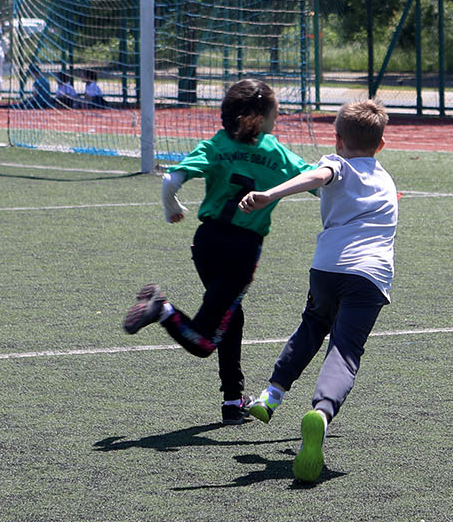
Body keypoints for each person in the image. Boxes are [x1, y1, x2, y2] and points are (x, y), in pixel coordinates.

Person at [121, 79, 315, 425]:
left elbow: (170, 181)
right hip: (241, 250)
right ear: (260, 118)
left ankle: (232, 400)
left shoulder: (217, 144)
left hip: (206, 243)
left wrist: (171, 209)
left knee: (231, 314)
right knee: (203, 341)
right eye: (275, 113)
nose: (277, 118)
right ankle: (161, 308)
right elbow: (317, 182)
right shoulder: (275, 152)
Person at [235, 99, 397, 484]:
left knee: (311, 327)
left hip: (326, 269)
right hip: (368, 276)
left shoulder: (336, 163)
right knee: (345, 350)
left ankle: (271, 395)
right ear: (381, 145)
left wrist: (269, 195)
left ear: (337, 139)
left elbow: (316, 177)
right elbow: (320, 176)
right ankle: (321, 414)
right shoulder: (386, 180)